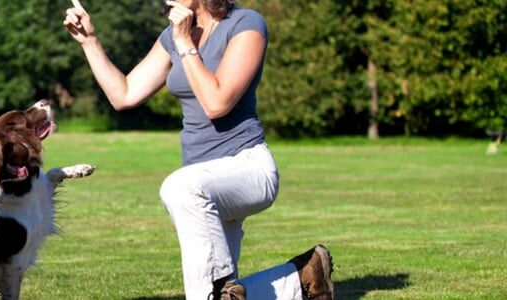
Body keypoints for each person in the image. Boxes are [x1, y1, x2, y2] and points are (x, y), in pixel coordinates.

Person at [63, 0, 335, 299]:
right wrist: (90, 42)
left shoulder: (245, 24)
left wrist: (184, 44)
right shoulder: (171, 36)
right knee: (213, 291)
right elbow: (124, 94)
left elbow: (216, 103)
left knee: (178, 188)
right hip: (202, 184)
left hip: (247, 167)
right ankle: (305, 277)